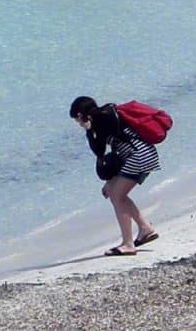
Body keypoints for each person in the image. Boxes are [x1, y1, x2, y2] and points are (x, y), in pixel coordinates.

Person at [68, 97, 161, 257]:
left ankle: (128, 244)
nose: (79, 124)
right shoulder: (104, 116)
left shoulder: (103, 119)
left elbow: (99, 151)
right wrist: (110, 183)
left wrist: (90, 130)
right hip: (141, 155)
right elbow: (105, 151)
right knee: (113, 191)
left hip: (139, 156)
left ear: (83, 115)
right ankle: (145, 229)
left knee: (117, 196)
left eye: (78, 120)